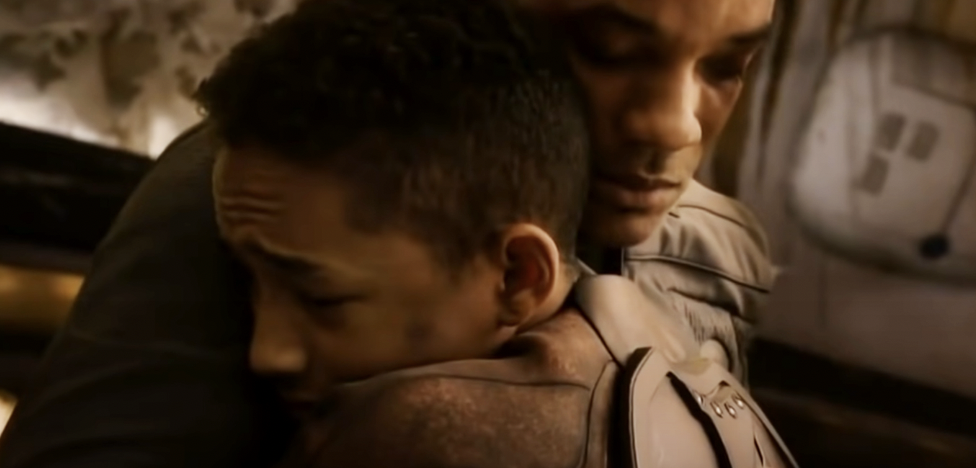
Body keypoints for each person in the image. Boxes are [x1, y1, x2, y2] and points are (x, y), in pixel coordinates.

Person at [0, 0, 776, 467]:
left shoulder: (716, 255)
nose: (674, 126)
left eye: (727, 66)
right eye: (611, 49)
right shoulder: (264, 190)